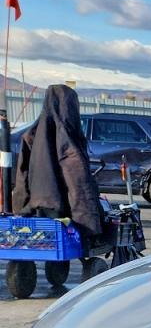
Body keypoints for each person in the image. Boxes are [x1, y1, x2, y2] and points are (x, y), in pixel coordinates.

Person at [13, 84, 103, 238]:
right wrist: (89, 217)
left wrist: (20, 203)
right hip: (60, 202)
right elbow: (77, 180)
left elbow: (22, 173)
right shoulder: (66, 137)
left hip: (36, 201)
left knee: (40, 245)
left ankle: (22, 263)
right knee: (60, 247)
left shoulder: (31, 134)